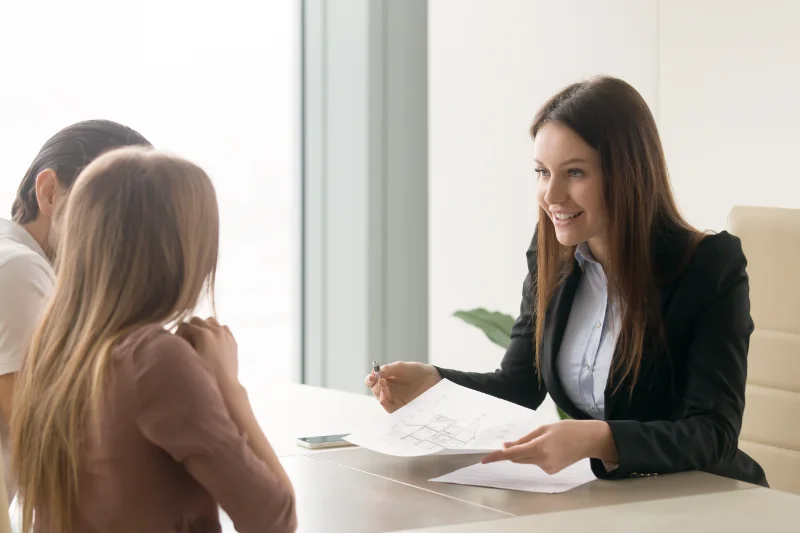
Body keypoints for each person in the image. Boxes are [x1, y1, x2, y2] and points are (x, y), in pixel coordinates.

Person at [365, 76, 767, 488]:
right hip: (612, 499)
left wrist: (600, 439)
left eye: (574, 172)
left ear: (627, 173)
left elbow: (713, 435)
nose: (551, 195)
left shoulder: (708, 266)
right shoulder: (551, 257)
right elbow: (519, 386)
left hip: (706, 497)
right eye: (542, 172)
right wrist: (435, 383)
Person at [10, 147, 297, 533]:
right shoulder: (154, 359)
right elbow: (273, 519)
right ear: (183, 250)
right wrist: (229, 385)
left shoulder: (54, 347)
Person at [0, 120, 151, 499]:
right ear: (49, 192)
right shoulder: (21, 271)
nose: (123, 239)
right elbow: (39, 446)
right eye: (110, 212)